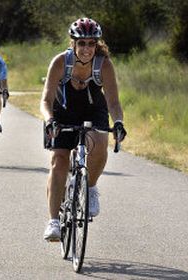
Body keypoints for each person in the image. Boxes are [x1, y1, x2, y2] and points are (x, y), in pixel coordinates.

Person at [40, 18, 127, 241]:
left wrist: (118, 123)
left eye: (91, 43)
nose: (87, 49)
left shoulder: (103, 64)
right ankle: (53, 222)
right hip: (62, 111)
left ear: (96, 44)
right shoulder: (60, 62)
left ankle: (90, 187)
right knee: (59, 160)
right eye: (82, 43)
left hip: (92, 110)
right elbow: (46, 100)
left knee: (99, 143)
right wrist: (50, 120)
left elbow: (114, 103)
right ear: (74, 44)